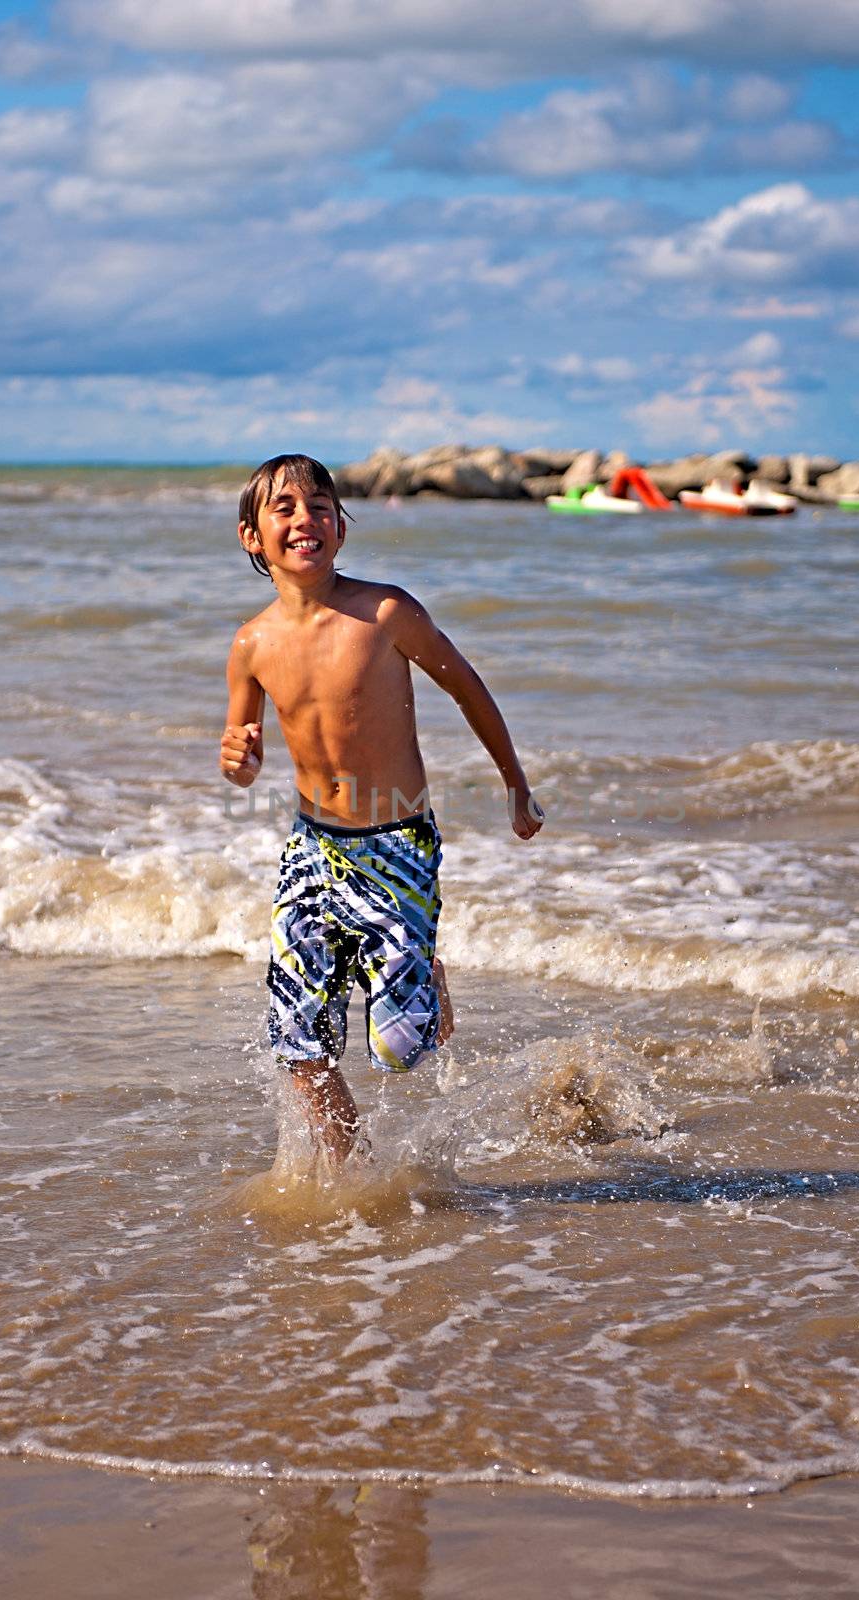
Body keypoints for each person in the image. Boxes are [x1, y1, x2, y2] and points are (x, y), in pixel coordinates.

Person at [220, 453, 543, 1164]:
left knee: (400, 1051)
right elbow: (245, 761)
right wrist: (239, 765)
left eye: (319, 506)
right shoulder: (251, 644)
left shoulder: (387, 613)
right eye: (284, 508)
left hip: (397, 845)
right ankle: (351, 1167)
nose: (305, 518)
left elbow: (468, 690)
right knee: (296, 1038)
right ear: (252, 537)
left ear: (340, 524)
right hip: (312, 852)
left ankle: (426, 966)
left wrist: (513, 781)